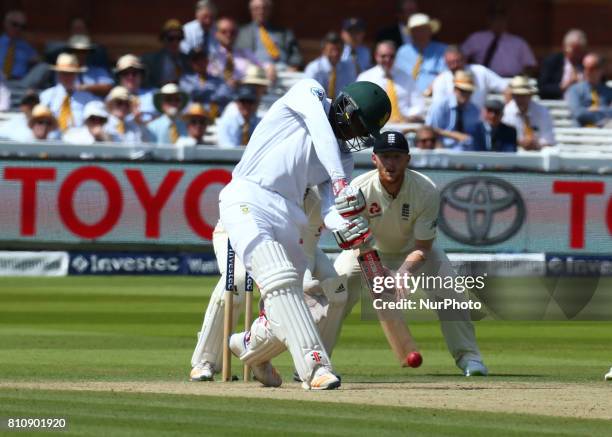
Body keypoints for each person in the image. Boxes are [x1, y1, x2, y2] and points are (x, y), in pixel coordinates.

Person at [218, 78, 391, 390]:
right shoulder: (308, 93)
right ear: (345, 110)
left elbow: (328, 208)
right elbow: (319, 128)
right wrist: (340, 179)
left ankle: (248, 347)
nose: (358, 137)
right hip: (248, 195)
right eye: (359, 126)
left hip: (290, 214)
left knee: (290, 302)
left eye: (365, 133)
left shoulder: (344, 158)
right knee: (280, 278)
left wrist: (347, 227)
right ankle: (316, 368)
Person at [333, 130, 488, 377]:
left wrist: (402, 273)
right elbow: (356, 241)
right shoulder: (358, 189)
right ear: (374, 159)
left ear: (408, 159)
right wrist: (377, 272)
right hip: (367, 251)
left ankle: (470, 358)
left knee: (451, 293)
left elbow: (423, 246)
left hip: (414, 251)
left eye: (396, 156)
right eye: (385, 157)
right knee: (335, 291)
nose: (391, 163)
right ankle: (318, 361)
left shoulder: (425, 190)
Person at [190, 187, 348, 382]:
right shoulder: (268, 185)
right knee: (237, 282)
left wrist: (302, 283)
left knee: (335, 290)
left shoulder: (315, 201)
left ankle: (315, 363)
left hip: (295, 250)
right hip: (241, 235)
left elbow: (304, 254)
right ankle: (205, 361)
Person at [357, 40, 424, 123]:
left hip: (405, 125)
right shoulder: (365, 78)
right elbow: (359, 106)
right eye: (383, 56)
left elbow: (418, 104)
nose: (388, 59)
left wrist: (409, 117)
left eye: (391, 56)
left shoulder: (406, 77)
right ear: (376, 56)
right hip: (376, 126)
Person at [461, 5, 536, 78]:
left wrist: (521, 79)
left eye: (501, 19)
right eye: (495, 19)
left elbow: (529, 65)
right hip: (485, 80)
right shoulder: (476, 38)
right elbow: (461, 56)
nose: (498, 22)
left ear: (506, 20)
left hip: (512, 81)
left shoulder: (519, 42)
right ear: (488, 20)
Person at [430, 45, 508, 108]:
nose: (455, 65)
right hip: (450, 124)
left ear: (464, 59)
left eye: (457, 61)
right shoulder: (440, 80)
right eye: (450, 63)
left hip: (480, 124)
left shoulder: (480, 71)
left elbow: (506, 87)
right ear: (445, 63)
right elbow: (438, 106)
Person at [39, 53, 98, 132]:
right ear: (58, 74)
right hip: (52, 140)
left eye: (70, 73)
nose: (67, 77)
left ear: (76, 74)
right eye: (63, 73)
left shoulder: (87, 98)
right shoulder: (47, 96)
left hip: (79, 140)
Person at [235, 0, 303, 70]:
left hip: (283, 71)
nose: (261, 12)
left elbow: (295, 55)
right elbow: (238, 56)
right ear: (251, 10)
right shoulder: (241, 32)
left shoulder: (284, 33)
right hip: (255, 72)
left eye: (264, 8)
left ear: (270, 10)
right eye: (256, 8)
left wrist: (294, 66)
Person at [426, 70, 480, 149]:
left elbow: (472, 134)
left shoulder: (474, 110)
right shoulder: (440, 106)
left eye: (469, 91)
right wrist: (455, 135)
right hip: (442, 150)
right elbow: (430, 130)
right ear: (455, 89)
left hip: (467, 152)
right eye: (462, 91)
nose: (466, 94)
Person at [395, 13, 447, 93]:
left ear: (430, 30)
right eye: (416, 30)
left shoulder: (442, 50)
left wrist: (432, 88)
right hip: (408, 95)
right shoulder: (403, 52)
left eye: (423, 29)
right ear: (411, 33)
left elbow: (446, 74)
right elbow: (397, 75)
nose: (420, 32)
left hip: (435, 94)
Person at [208, 17, 264, 87]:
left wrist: (269, 67)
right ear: (216, 34)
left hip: (243, 93)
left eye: (232, 32)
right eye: (223, 32)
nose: (228, 35)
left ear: (237, 34)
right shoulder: (211, 55)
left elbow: (261, 68)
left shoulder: (245, 53)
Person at [502, 76, 555, 149]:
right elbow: (505, 138)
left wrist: (535, 144)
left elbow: (549, 140)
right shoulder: (507, 112)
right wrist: (520, 142)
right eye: (517, 96)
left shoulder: (542, 112)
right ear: (513, 96)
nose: (520, 99)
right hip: (515, 154)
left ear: (530, 95)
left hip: (539, 153)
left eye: (523, 95)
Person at [179, 48, 233, 118]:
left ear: (207, 61)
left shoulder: (218, 79)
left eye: (202, 59)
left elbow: (225, 94)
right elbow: (193, 93)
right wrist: (212, 93)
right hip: (192, 117)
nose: (200, 63)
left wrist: (206, 93)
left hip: (213, 117)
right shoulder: (185, 79)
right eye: (196, 60)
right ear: (191, 63)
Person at [304, 32, 356, 100]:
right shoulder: (314, 69)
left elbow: (351, 92)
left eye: (339, 50)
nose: (335, 54)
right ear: (323, 50)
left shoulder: (348, 68)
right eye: (331, 50)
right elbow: (307, 94)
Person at [538, 29, 588, 100]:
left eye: (580, 51)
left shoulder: (587, 63)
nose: (577, 55)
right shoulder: (553, 62)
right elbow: (542, 88)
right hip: (557, 104)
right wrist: (563, 86)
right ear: (565, 47)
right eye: (574, 51)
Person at [566, 53, 612, 127]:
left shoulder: (609, 92)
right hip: (580, 133)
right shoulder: (574, 90)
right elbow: (578, 113)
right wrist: (602, 111)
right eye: (584, 67)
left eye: (592, 68)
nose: (587, 71)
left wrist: (592, 110)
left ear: (601, 69)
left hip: (604, 132)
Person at [142, 19, 191, 88]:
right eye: (171, 38)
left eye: (178, 38)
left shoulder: (187, 60)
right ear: (163, 39)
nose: (175, 42)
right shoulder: (151, 61)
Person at [114, 54, 157, 123]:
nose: (130, 77)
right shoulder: (112, 98)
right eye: (125, 73)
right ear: (119, 77)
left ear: (141, 75)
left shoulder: (154, 94)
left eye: (134, 73)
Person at [0, 10, 38, 80]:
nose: (18, 29)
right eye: (15, 24)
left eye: (22, 27)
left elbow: (39, 63)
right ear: (5, 23)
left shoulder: (27, 47)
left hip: (19, 84)